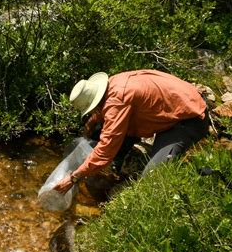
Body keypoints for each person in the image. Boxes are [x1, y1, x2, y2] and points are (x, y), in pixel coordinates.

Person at [53, 69, 209, 195]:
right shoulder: (114, 83)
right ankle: (118, 166)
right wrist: (92, 121)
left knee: (152, 179)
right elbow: (109, 106)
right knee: (99, 131)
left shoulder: (117, 100)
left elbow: (104, 151)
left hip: (188, 119)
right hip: (182, 102)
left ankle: (185, 180)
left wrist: (73, 178)